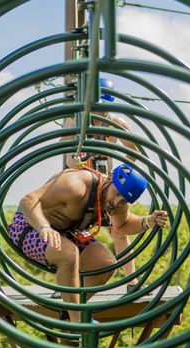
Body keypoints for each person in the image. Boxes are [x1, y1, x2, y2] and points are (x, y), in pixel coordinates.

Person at [11, 164, 168, 322]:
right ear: (110, 177)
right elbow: (28, 200)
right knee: (69, 254)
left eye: (123, 200)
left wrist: (148, 221)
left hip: (66, 231)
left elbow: (123, 224)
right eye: (116, 193)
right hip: (29, 226)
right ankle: (77, 321)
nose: (116, 202)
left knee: (106, 264)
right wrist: (43, 227)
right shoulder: (75, 185)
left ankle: (68, 313)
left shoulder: (119, 201)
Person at [60, 78, 144, 292]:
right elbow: (64, 149)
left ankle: (131, 282)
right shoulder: (76, 120)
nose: (99, 115)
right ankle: (68, 285)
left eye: (103, 110)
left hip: (106, 184)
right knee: (68, 234)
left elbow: (133, 148)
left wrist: (123, 173)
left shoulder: (115, 123)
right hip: (81, 182)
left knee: (119, 229)